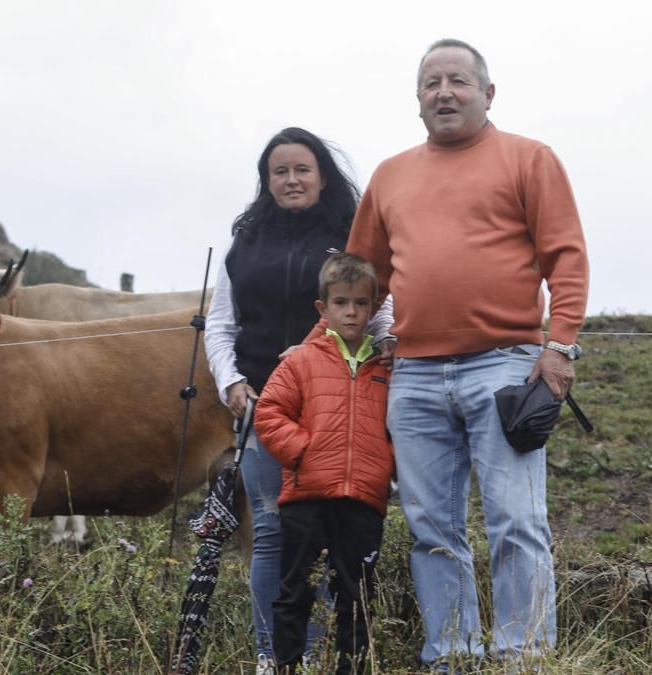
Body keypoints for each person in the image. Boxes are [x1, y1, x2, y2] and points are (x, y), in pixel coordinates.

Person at [344, 39, 590, 669]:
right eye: (431, 83)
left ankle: (523, 656)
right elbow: (362, 275)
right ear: (418, 99)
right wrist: (338, 345)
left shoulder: (529, 158)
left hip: (506, 364)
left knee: (516, 521)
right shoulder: (390, 175)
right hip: (415, 373)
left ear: (488, 93)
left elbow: (566, 257)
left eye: (458, 80)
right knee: (432, 529)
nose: (444, 91)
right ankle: (452, 655)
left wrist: (558, 347)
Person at [205, 128, 390, 674]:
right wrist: (231, 383)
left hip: (342, 406)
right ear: (267, 181)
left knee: (339, 532)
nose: (292, 180)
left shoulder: (353, 235)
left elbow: (382, 311)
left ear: (323, 176)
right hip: (265, 406)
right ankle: (279, 658)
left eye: (303, 169)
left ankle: (341, 653)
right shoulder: (246, 243)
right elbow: (221, 325)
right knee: (269, 530)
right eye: (279, 171)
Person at [254, 252, 394, 675]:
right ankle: (287, 666)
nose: (351, 312)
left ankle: (351, 668)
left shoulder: (388, 367)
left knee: (355, 593)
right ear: (323, 308)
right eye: (340, 303)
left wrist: (388, 467)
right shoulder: (300, 360)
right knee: (296, 588)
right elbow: (268, 413)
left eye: (361, 303)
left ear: (373, 307)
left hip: (364, 501)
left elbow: (401, 425)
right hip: (306, 496)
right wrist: (303, 451)